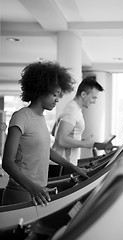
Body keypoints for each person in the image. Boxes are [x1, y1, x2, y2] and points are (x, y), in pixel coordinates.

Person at [2, 61, 88, 206]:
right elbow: (7, 162)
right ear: (40, 89)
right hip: (21, 192)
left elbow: (46, 151)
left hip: (38, 191)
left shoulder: (41, 119)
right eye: (55, 94)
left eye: (59, 95)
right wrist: (33, 188)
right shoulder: (21, 117)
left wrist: (73, 167)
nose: (57, 99)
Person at [52, 76, 114, 171]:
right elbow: (60, 139)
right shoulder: (72, 111)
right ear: (84, 94)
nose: (94, 101)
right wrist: (84, 144)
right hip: (62, 165)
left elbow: (54, 132)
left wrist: (78, 139)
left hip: (64, 164)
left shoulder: (73, 109)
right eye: (93, 98)